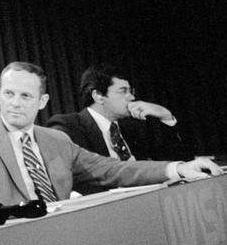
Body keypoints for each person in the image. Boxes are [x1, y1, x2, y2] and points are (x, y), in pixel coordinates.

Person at [0, 61, 218, 205]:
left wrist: (178, 169)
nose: (15, 103)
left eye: (25, 95)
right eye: (8, 94)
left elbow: (112, 170)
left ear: (42, 102)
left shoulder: (57, 140)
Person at [46, 64, 186, 190]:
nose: (131, 97)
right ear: (98, 96)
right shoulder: (68, 126)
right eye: (123, 91)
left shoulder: (133, 127)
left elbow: (175, 162)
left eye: (131, 91)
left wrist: (166, 117)